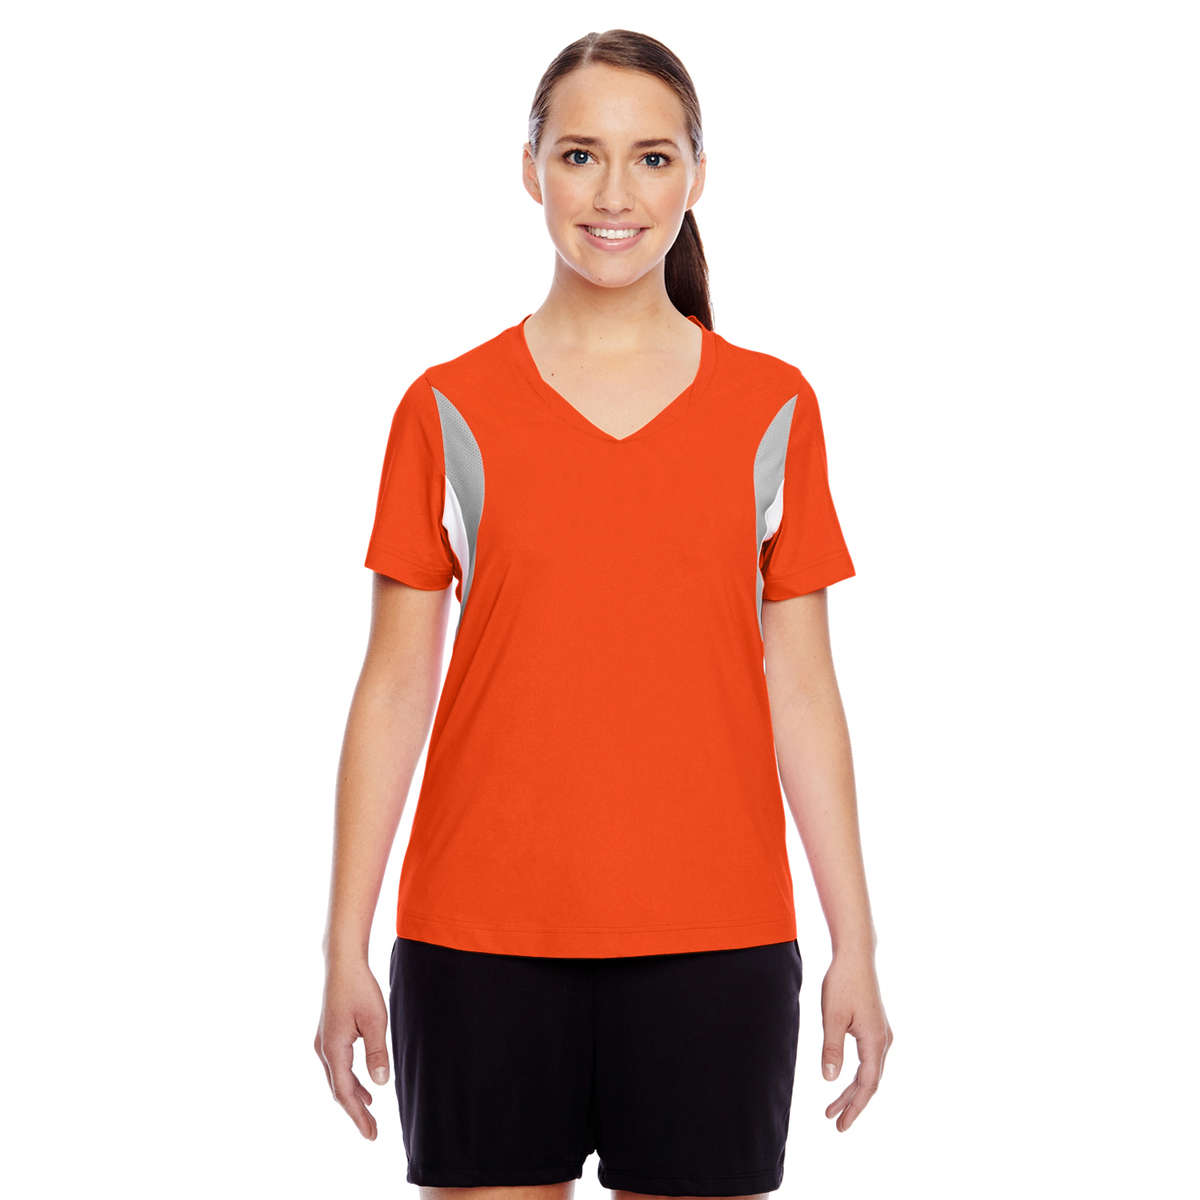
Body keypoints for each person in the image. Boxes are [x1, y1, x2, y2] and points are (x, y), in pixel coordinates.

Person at [315, 27, 893, 1198]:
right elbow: (394, 686)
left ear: (697, 175)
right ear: (529, 170)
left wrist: (856, 944)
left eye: (651, 157)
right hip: (476, 944)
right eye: (580, 155)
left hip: (717, 946)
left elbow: (803, 688)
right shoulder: (446, 408)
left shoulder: (773, 407)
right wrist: (343, 945)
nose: (614, 194)